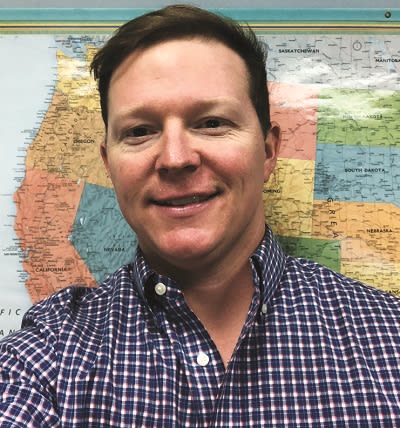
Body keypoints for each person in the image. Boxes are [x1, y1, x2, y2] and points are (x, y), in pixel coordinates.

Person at [1, 4, 400, 427]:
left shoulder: (387, 338)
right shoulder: (46, 356)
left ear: (268, 152)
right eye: (139, 131)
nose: (175, 158)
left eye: (211, 123)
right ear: (109, 164)